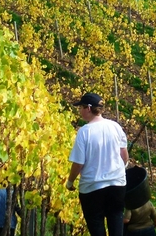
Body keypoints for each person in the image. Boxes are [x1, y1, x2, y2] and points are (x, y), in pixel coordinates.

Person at [66, 92, 128, 236]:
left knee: (96, 225)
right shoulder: (115, 126)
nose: (80, 111)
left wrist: (70, 182)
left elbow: (78, 163)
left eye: (81, 107)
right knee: (116, 220)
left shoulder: (84, 132)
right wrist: (120, 170)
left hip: (93, 187)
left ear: (88, 108)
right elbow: (124, 154)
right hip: (117, 185)